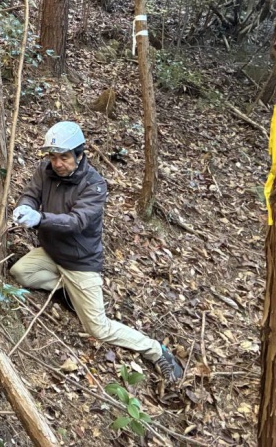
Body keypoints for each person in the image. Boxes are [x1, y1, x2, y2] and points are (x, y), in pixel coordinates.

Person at [10, 121, 183, 384]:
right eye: (53, 157)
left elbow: (76, 222)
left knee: (97, 328)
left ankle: (155, 350)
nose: (57, 163)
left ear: (79, 155)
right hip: (51, 252)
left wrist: (40, 218)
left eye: (64, 157)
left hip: (80, 262)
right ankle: (67, 290)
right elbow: (30, 194)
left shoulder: (94, 185)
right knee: (20, 272)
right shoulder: (45, 171)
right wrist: (25, 207)